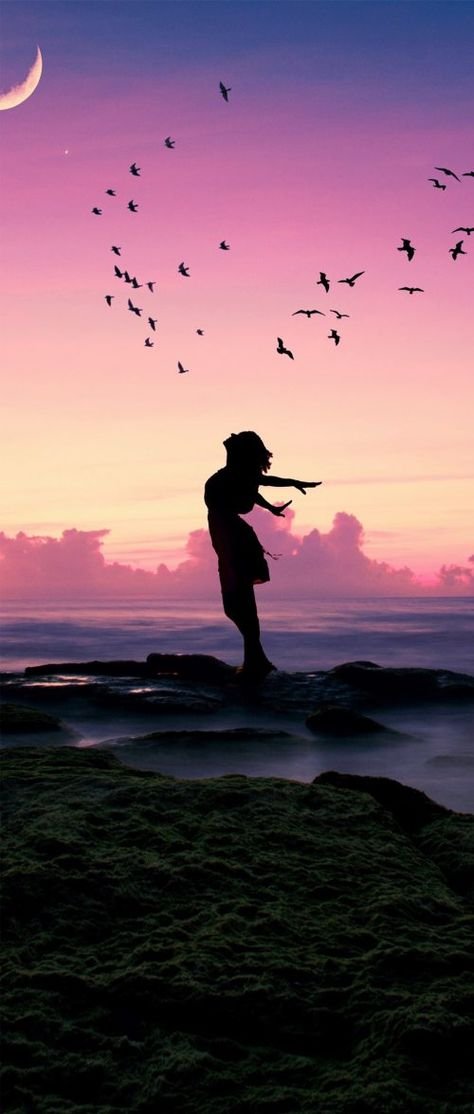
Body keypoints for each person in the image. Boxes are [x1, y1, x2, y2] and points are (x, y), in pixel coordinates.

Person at [205, 431, 321, 680]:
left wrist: (293, 482)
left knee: (239, 600)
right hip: (229, 534)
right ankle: (256, 657)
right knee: (237, 602)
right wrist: (271, 507)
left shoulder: (240, 474)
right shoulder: (235, 475)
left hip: (234, 538)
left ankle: (255, 660)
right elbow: (253, 488)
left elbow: (264, 482)